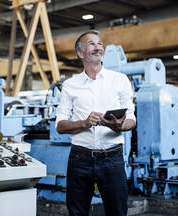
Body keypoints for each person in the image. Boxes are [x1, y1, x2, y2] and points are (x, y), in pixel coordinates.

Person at [56, 30, 136, 216]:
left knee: (117, 212)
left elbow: (131, 119)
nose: (98, 47)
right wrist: (84, 123)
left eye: (100, 43)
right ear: (80, 53)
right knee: (77, 212)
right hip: (80, 159)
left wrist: (118, 126)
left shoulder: (119, 80)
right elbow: (60, 125)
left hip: (112, 159)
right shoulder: (70, 85)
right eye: (91, 43)